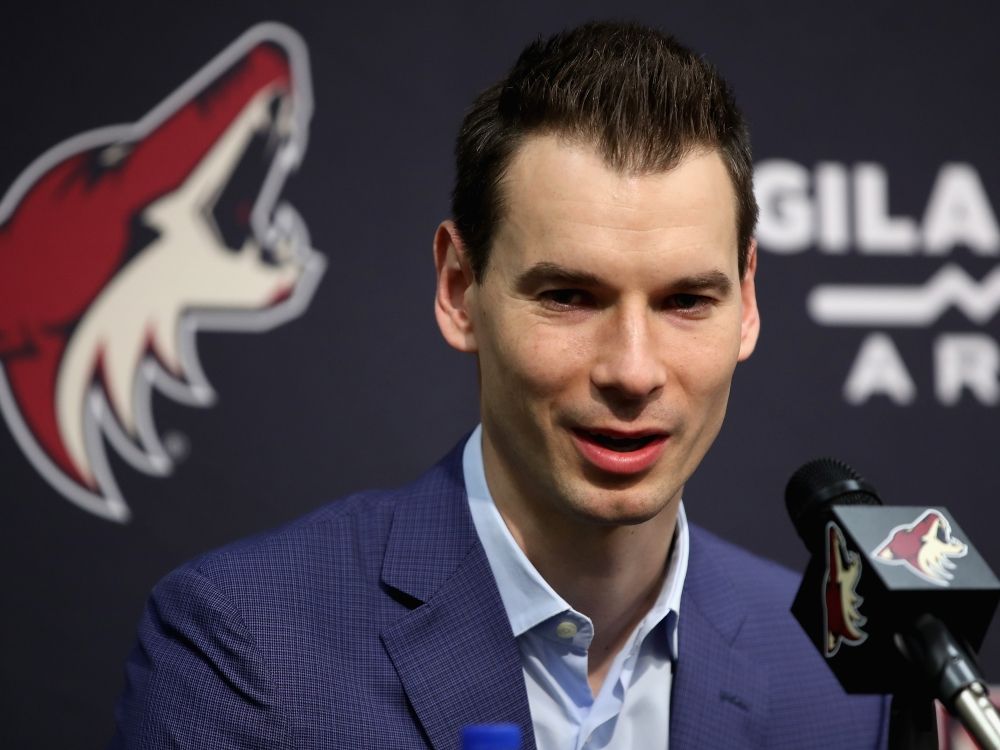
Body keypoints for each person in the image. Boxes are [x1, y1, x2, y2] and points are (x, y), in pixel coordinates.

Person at [112, 21, 889, 749]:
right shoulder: (246, 644)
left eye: (686, 301)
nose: (633, 370)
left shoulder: (841, 681)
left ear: (747, 302)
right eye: (569, 297)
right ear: (459, 288)